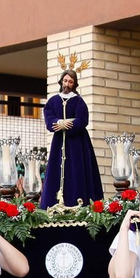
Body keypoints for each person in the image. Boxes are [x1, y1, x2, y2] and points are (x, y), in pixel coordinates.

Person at [39, 67, 103, 209]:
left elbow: (83, 120)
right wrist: (58, 123)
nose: (67, 84)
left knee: (76, 170)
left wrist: (70, 124)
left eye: (70, 82)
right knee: (56, 171)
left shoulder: (78, 101)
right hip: (59, 143)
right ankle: (53, 205)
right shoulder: (53, 101)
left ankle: (78, 204)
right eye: (65, 80)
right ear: (61, 81)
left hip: (77, 144)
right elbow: (49, 117)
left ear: (74, 84)